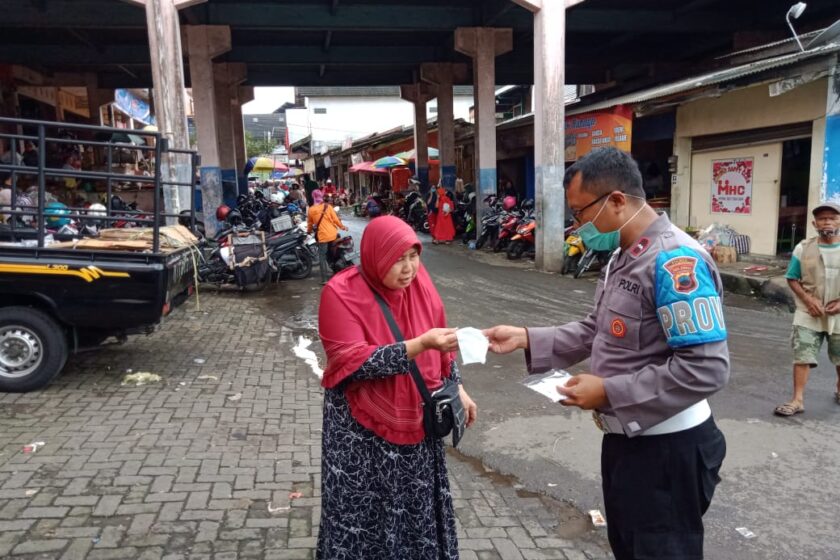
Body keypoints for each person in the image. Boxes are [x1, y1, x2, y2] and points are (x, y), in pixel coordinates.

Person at [483, 147, 728, 560]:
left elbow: (705, 369)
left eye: (580, 213)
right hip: (627, 443)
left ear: (616, 201)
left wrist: (610, 392)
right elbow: (597, 328)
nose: (576, 226)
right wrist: (526, 337)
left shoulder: (674, 261)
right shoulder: (623, 255)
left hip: (668, 451)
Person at [316, 216, 477, 560]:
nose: (408, 269)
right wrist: (418, 345)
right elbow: (352, 362)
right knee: (365, 514)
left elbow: (442, 343)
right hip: (360, 436)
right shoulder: (340, 293)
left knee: (414, 511)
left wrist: (457, 387)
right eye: (396, 259)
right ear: (375, 257)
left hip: (416, 426)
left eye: (413, 256)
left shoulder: (420, 286)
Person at [774, 202, 840, 416]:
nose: (827, 221)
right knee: (802, 355)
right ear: (814, 223)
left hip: (838, 311)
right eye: (822, 218)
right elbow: (792, 278)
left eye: (832, 217)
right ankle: (797, 400)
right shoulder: (803, 248)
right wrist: (808, 300)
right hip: (808, 310)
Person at [307, 189, 348, 284]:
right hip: (333, 234)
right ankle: (336, 270)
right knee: (333, 251)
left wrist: (308, 231)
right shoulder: (328, 206)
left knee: (322, 256)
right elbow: (336, 219)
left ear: (313, 197)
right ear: (321, 196)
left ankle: (324, 279)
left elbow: (310, 224)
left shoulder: (311, 209)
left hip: (323, 237)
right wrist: (343, 227)